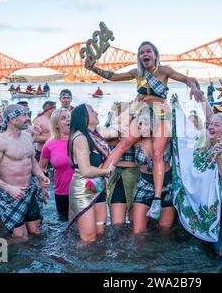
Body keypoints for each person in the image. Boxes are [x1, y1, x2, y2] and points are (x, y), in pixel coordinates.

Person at [86, 41, 203, 220]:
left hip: (161, 110)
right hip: (142, 110)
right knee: (124, 144)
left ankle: (156, 200)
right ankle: (98, 180)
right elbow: (113, 76)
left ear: (155, 54)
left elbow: (186, 79)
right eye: (141, 53)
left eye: (148, 51)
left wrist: (194, 87)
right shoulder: (137, 73)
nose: (144, 55)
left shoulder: (165, 71)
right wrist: (94, 69)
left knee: (157, 153)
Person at [172, 97, 222, 256]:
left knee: (220, 253)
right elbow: (184, 142)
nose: (210, 127)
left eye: (216, 125)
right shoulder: (201, 144)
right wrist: (176, 109)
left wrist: (219, 154)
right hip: (202, 208)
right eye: (209, 125)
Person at [0, 104, 50, 239]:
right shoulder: (0, 142)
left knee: (36, 231)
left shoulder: (26, 137)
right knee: (21, 236)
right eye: (24, 115)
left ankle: (36, 258)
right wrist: (8, 188)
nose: (28, 118)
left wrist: (41, 176)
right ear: (12, 119)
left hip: (30, 191)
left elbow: (31, 161)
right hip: (11, 195)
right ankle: (14, 259)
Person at [68, 104, 114, 242]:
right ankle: (79, 263)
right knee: (88, 238)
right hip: (83, 188)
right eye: (92, 110)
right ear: (84, 117)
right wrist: (107, 171)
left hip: (97, 186)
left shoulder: (95, 135)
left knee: (101, 232)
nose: (96, 112)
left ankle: (99, 262)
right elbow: (86, 170)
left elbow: (118, 131)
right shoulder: (80, 138)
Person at [131, 105, 175, 234]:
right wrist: (134, 108)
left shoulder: (166, 137)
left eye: (144, 123)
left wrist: (171, 113)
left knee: (164, 231)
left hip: (167, 185)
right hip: (145, 184)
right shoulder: (136, 141)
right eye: (139, 124)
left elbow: (186, 133)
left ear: (152, 124)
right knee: (138, 232)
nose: (140, 127)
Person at [101, 102, 140, 226]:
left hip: (137, 175)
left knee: (134, 223)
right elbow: (106, 138)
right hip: (118, 176)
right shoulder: (109, 127)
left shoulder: (138, 127)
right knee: (117, 225)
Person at [39, 108, 72, 216]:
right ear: (56, 124)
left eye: (69, 117)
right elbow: (41, 168)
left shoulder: (80, 139)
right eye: (63, 118)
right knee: (64, 225)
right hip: (62, 192)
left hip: (84, 190)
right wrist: (43, 188)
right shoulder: (50, 144)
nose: (68, 120)